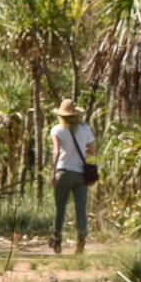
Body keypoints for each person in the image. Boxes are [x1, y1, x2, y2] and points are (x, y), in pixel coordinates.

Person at [49, 97, 96, 255]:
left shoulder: (57, 130)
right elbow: (92, 150)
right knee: (81, 208)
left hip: (64, 172)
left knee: (60, 208)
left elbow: (56, 152)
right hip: (81, 174)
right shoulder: (85, 129)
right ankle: (81, 237)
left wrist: (53, 173)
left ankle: (57, 238)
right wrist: (82, 150)